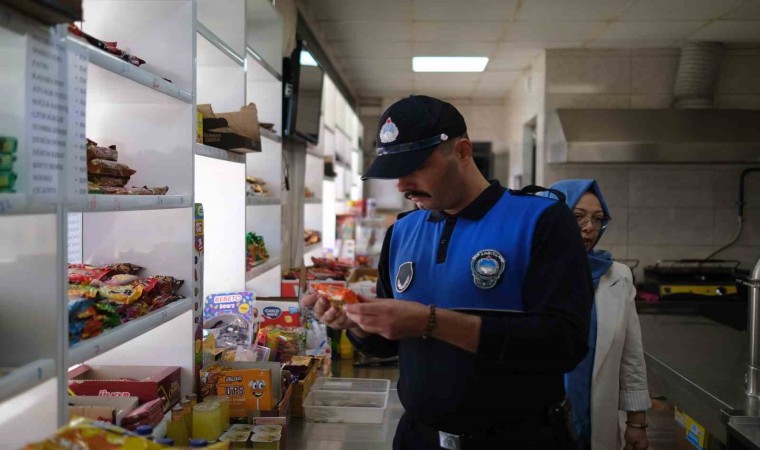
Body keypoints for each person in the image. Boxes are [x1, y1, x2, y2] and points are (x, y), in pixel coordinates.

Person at [302, 95, 594, 449]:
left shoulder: (541, 221)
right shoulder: (402, 232)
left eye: (416, 167)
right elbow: (385, 345)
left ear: (463, 151)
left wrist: (432, 321)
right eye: (394, 171)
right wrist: (356, 324)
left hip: (521, 439)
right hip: (419, 438)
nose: (401, 185)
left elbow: (565, 343)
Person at [546, 180, 651, 450]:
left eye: (598, 219)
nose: (589, 228)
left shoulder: (618, 277)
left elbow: (632, 357)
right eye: (578, 217)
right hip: (540, 422)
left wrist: (636, 423)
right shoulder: (531, 272)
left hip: (597, 423)